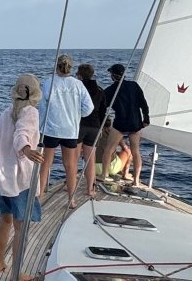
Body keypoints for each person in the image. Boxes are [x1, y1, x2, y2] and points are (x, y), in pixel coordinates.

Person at [0, 73, 45, 275]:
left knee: (5, 220)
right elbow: (22, 134)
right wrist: (27, 150)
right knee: (20, 227)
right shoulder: (30, 113)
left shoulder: (5, 113)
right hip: (19, 181)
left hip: (1, 179)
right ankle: (17, 273)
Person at [37, 54, 94, 207]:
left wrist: (39, 127)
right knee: (70, 166)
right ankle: (71, 199)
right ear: (71, 68)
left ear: (57, 66)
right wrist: (77, 115)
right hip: (70, 130)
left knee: (45, 165)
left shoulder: (49, 82)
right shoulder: (78, 85)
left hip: (50, 129)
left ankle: (40, 196)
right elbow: (89, 107)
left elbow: (43, 107)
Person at [102, 63, 150, 186]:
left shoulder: (110, 90)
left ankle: (104, 175)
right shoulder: (134, 86)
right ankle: (136, 180)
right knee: (135, 151)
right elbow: (143, 104)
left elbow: (102, 107)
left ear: (113, 76)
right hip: (135, 123)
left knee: (109, 149)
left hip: (120, 124)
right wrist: (146, 119)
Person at [76, 63, 107, 199]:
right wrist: (101, 127)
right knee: (90, 159)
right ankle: (90, 189)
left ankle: (69, 185)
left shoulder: (78, 89)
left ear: (79, 75)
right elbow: (103, 111)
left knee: (74, 158)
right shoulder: (100, 90)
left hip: (79, 126)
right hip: (95, 127)